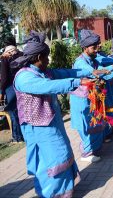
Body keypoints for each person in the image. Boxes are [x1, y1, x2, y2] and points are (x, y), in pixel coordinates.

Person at [13, 31, 101, 197]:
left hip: (52, 122)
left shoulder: (43, 71)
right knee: (52, 160)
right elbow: (48, 86)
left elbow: (65, 73)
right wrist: (78, 82)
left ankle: (64, 190)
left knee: (63, 153)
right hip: (38, 128)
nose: (48, 61)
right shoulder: (24, 77)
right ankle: (52, 193)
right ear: (38, 56)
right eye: (46, 57)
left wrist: (88, 73)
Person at [70, 30, 113, 162]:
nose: (96, 50)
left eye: (97, 46)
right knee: (86, 127)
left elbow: (105, 75)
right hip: (82, 100)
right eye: (93, 47)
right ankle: (86, 153)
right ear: (85, 48)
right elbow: (94, 73)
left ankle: (93, 149)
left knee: (97, 124)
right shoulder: (80, 63)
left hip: (93, 99)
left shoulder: (93, 60)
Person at [0, 42, 24, 143]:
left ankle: (17, 137)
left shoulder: (5, 60)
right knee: (20, 111)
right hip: (21, 85)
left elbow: (4, 78)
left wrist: (1, 92)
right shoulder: (21, 57)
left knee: (13, 112)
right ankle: (20, 135)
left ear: (8, 52)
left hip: (10, 88)